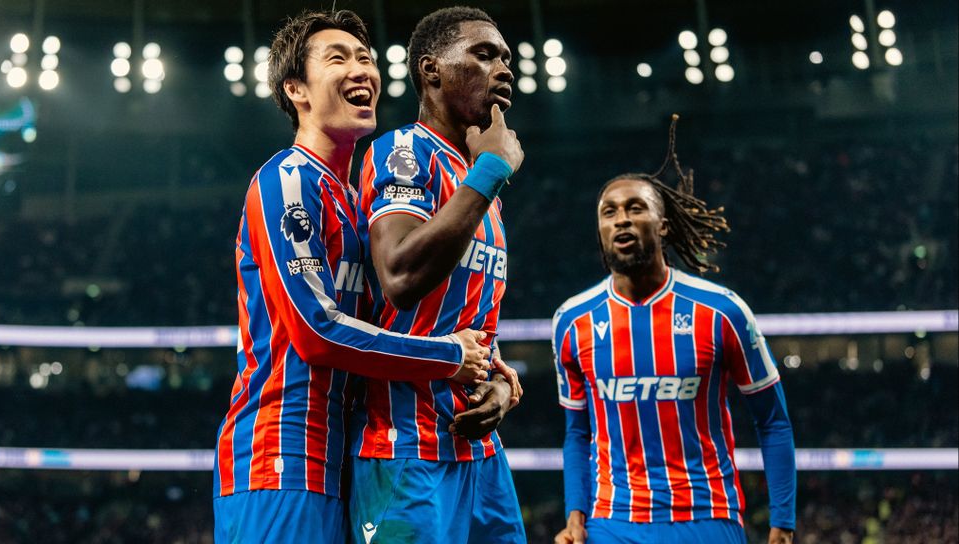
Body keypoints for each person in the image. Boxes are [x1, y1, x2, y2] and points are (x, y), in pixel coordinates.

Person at [211, 10, 494, 544]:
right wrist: (449, 356)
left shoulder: (361, 205)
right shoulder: (288, 181)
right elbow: (316, 332)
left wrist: (494, 371)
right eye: (337, 58)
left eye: (365, 58)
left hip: (353, 461)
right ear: (296, 89)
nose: (361, 69)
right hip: (283, 457)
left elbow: (398, 319)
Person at [553, 117, 796, 544]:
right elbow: (577, 431)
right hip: (613, 521)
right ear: (600, 230)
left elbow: (773, 420)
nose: (622, 220)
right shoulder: (572, 321)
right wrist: (575, 516)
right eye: (609, 212)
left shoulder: (722, 311)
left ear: (662, 225)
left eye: (636, 208)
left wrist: (784, 522)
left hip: (707, 516)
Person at [348, 6, 527, 544]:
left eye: (506, 58)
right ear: (431, 70)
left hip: (480, 455)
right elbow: (400, 277)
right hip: (406, 454)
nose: (505, 69)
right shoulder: (404, 152)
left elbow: (470, 321)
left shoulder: (478, 184)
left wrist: (499, 385)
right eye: (484, 54)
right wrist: (492, 170)